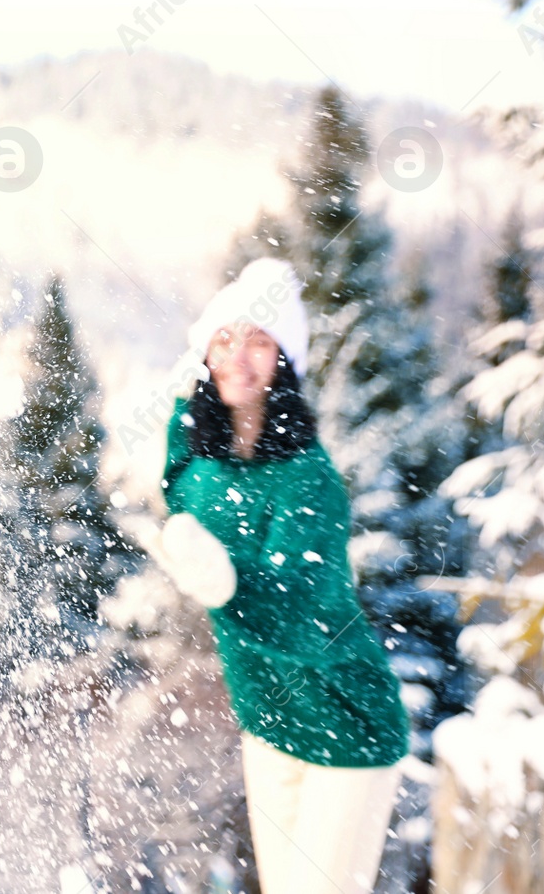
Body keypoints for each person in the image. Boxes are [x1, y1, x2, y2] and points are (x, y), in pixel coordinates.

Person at [153, 258, 409, 894]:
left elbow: (304, 615)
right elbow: (177, 480)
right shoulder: (207, 465)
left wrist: (222, 588)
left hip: (346, 725)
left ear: (284, 361)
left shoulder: (309, 479)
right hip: (268, 723)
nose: (240, 358)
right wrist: (182, 405)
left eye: (260, 341)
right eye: (225, 340)